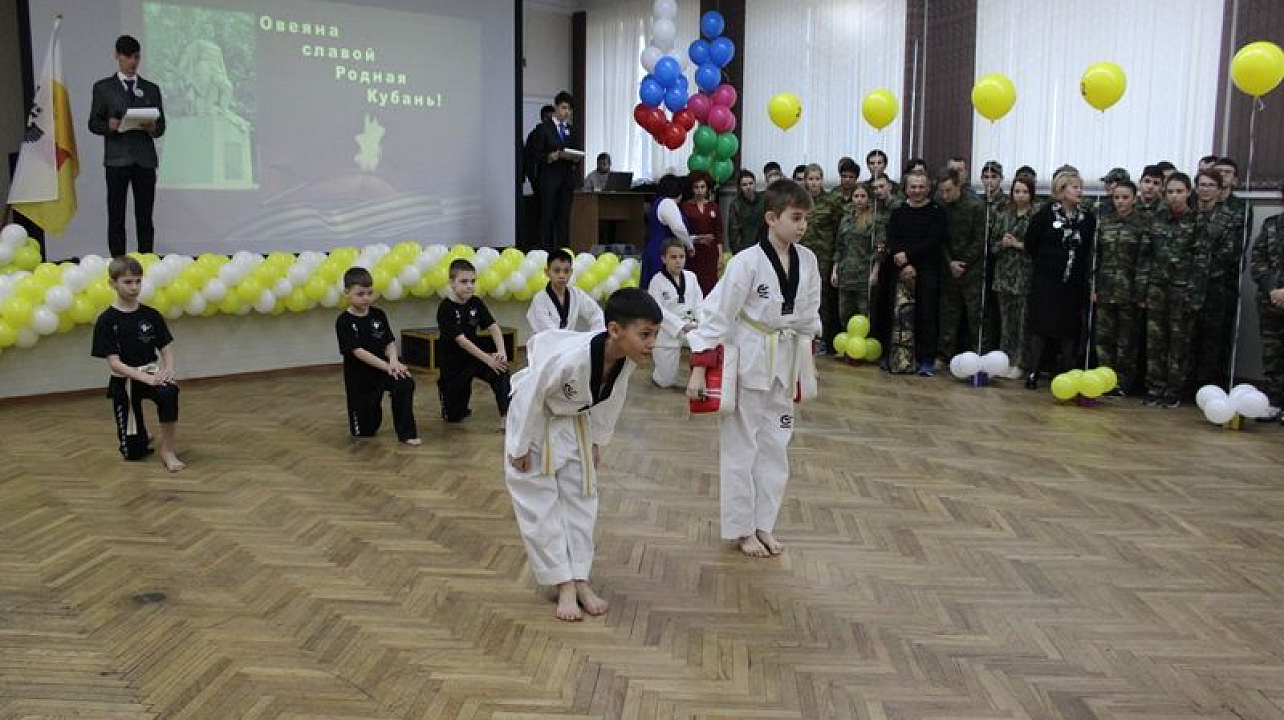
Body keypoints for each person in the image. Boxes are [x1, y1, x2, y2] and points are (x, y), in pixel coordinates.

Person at [505, 288, 662, 621]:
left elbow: (612, 400)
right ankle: (562, 584)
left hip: (575, 422)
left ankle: (580, 578)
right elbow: (530, 396)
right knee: (540, 506)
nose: (652, 343)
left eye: (655, 334)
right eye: (645, 334)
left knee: (582, 498)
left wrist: (596, 442)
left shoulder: (625, 361)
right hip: (535, 419)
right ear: (616, 330)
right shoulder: (572, 359)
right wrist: (519, 445)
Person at [686, 179, 821, 558]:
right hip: (749, 357)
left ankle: (765, 524)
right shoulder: (746, 262)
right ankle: (742, 529)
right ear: (771, 217)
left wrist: (807, 365)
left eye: (806, 219)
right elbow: (715, 316)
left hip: (787, 357)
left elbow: (810, 316)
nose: (802, 226)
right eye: (795, 218)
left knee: (775, 447)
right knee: (740, 448)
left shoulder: (808, 260)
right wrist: (700, 367)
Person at [90, 255, 183, 472]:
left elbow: (165, 347)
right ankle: (140, 434)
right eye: (128, 282)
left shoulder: (151, 315)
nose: (134, 287)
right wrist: (146, 378)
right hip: (125, 381)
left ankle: (168, 450)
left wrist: (168, 370)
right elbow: (114, 363)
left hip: (152, 373)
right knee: (133, 453)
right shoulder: (107, 320)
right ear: (113, 284)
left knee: (169, 393)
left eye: (138, 281)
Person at [89, 35, 166, 258]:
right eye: (128, 57)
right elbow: (93, 123)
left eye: (136, 57)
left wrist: (152, 128)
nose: (133, 62)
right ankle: (118, 264)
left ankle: (147, 259)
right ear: (117, 57)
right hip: (117, 159)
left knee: (145, 216)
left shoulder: (151, 89)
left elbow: (161, 127)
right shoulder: (104, 88)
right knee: (116, 216)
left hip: (144, 159)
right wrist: (109, 125)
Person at [1136, 173, 1208, 408]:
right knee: (1155, 341)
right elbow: (1145, 257)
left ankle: (1173, 389)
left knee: (1179, 343)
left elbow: (1201, 262)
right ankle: (1154, 387)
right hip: (1157, 289)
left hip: (1183, 290)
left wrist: (1194, 294)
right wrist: (1142, 290)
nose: (1175, 197)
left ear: (1189, 192)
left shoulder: (1198, 222)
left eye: (1179, 192)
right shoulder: (1156, 220)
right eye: (1170, 192)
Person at [1024, 170, 1096, 388]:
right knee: (1041, 327)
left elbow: (1088, 250)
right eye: (1074, 187)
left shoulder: (1087, 219)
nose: (1079, 192)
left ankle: (1067, 373)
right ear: (1061, 191)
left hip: (1072, 283)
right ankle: (1033, 372)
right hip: (1046, 281)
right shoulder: (1045, 215)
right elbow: (1031, 243)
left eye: (1080, 187)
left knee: (1069, 329)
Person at [335, 267, 420, 445]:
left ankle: (407, 434)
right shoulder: (344, 321)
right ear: (347, 293)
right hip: (360, 378)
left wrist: (394, 362)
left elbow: (389, 342)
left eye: (369, 293)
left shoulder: (378, 315)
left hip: (384, 369)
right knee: (365, 431)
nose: (366, 298)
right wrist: (387, 366)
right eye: (360, 294)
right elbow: (358, 352)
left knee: (404, 383)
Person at [878, 172, 946, 376]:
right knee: (894, 313)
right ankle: (892, 356)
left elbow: (933, 240)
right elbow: (893, 237)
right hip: (899, 267)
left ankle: (926, 359)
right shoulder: (899, 212)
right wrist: (903, 262)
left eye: (921, 187)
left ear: (928, 189)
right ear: (906, 189)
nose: (917, 191)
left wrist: (908, 256)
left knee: (926, 314)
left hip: (926, 269)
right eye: (913, 187)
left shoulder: (937, 212)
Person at [437, 259, 511, 427]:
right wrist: (488, 359)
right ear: (452, 283)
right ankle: (451, 401)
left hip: (475, 357)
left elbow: (493, 327)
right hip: (453, 364)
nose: (469, 286)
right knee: (454, 417)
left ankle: (506, 415)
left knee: (501, 370)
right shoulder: (445, 308)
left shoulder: (476, 302)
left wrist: (501, 352)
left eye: (472, 281)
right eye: (463, 281)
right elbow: (461, 341)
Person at [1093, 180, 1147, 395]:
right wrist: (1094, 286)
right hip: (1106, 289)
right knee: (1104, 338)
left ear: (1134, 198)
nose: (1120, 202)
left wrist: (1140, 291)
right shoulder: (1104, 223)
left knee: (1127, 340)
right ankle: (1104, 379)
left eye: (1125, 197)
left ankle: (1122, 383)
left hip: (1129, 291)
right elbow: (1096, 258)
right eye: (1116, 197)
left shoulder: (1142, 225)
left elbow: (1144, 261)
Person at [1191, 170, 1241, 390]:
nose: (1206, 189)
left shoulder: (1229, 219)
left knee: (1213, 340)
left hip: (1216, 288)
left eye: (1211, 185)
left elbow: (1228, 255)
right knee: (1188, 338)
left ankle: (1208, 385)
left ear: (1220, 190)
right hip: (1188, 287)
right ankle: (1189, 384)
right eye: (1202, 184)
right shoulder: (1189, 215)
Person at [937, 168, 988, 358]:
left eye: (948, 190)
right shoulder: (940, 204)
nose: (945, 195)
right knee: (948, 315)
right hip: (948, 268)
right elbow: (939, 238)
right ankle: (944, 354)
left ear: (959, 186)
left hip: (972, 270)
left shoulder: (975, 205)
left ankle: (979, 355)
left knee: (975, 316)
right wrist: (950, 262)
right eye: (942, 190)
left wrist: (963, 263)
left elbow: (980, 239)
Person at [990, 176, 1036, 379]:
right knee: (1006, 323)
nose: (1020, 196)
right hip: (1004, 276)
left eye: (1025, 192)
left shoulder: (1036, 216)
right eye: (1017, 191)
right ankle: (1004, 360)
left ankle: (1021, 362)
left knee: (1022, 323)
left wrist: (1019, 244)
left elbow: (1039, 248)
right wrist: (1002, 243)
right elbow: (991, 245)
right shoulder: (1003, 215)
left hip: (1025, 277)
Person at [530, 91, 582, 253]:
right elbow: (534, 154)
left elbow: (577, 150)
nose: (566, 112)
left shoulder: (571, 130)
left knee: (564, 217)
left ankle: (564, 250)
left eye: (569, 109)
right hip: (549, 179)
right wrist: (549, 157)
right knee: (547, 215)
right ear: (556, 107)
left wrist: (575, 157)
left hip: (566, 179)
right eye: (564, 108)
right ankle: (544, 250)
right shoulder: (543, 129)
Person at [648, 239, 704, 388]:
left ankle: (701, 380)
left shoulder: (691, 277)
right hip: (667, 331)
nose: (678, 261)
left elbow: (699, 303)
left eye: (681, 257)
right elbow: (657, 310)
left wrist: (701, 323)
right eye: (673, 257)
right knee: (665, 381)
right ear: (663, 259)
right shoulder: (656, 281)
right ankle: (659, 373)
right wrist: (681, 326)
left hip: (692, 325)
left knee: (709, 341)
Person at [1250, 183, 1284, 421]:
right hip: (1270, 300)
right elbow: (1257, 260)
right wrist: (1274, 289)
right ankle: (1274, 401)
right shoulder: (1272, 224)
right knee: (1272, 352)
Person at [800, 165, 841, 352]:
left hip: (823, 256)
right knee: (802, 294)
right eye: (811, 179)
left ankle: (822, 338)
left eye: (817, 179)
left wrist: (835, 259)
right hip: (802, 254)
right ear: (805, 181)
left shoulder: (832, 201)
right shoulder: (800, 202)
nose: (814, 183)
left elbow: (838, 230)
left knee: (822, 298)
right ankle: (804, 334)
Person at [832, 182, 885, 324]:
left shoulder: (875, 220)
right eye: (856, 196)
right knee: (844, 315)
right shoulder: (846, 219)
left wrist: (875, 272)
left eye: (863, 196)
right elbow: (839, 246)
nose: (859, 199)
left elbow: (880, 249)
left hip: (864, 275)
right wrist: (835, 270)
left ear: (869, 198)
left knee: (865, 316)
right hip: (846, 274)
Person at [527, 250, 605, 335]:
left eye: (566, 271)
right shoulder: (540, 299)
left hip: (569, 344)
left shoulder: (577, 294)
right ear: (547, 272)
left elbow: (596, 314)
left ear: (571, 272)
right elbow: (549, 332)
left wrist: (596, 337)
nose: (562, 276)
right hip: (546, 344)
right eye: (557, 271)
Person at [642, 174, 692, 288]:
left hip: (654, 249)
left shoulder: (658, 203)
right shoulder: (668, 203)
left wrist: (693, 238)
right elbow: (678, 228)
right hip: (664, 252)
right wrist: (690, 245)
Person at [680, 170, 723, 294]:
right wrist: (697, 238)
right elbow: (682, 231)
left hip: (711, 253)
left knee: (711, 285)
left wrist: (720, 255)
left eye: (702, 187)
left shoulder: (714, 206)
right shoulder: (685, 207)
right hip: (693, 252)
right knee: (693, 284)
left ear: (707, 188)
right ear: (691, 188)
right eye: (696, 187)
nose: (699, 191)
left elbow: (718, 232)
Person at [728, 169, 766, 254]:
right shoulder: (736, 205)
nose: (748, 187)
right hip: (744, 248)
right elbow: (733, 231)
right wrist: (737, 251)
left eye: (751, 183)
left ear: (755, 183)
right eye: (744, 185)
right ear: (740, 187)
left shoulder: (763, 200)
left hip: (763, 246)